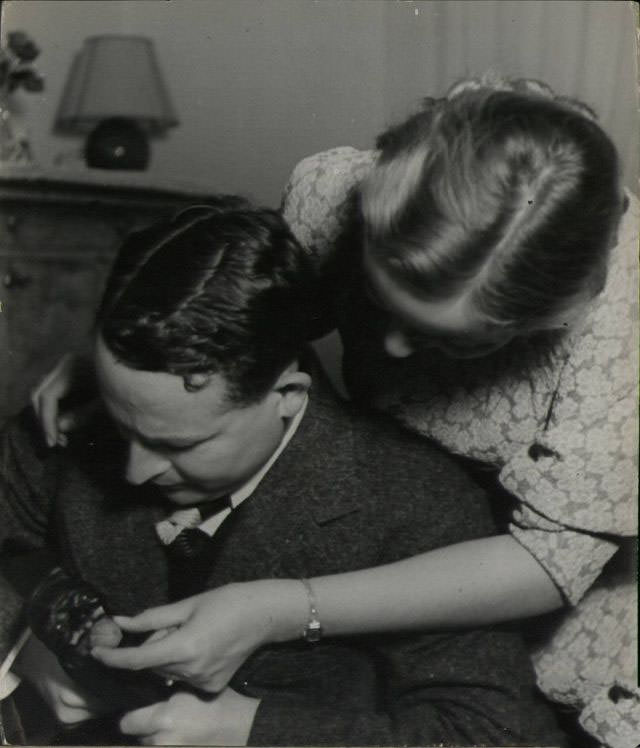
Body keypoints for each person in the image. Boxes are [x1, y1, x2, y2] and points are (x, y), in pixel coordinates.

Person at [31, 76, 638, 747]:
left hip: (574, 625)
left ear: (553, 318)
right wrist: (116, 363)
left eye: (451, 342)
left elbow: (549, 564)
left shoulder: (621, 337)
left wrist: (286, 610)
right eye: (379, 300)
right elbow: (248, 327)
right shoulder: (332, 192)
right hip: (401, 526)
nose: (394, 351)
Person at [0, 204, 566, 746]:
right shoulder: (73, 418)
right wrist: (33, 639)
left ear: (288, 396)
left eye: (177, 444)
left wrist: (256, 733)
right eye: (123, 425)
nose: (134, 468)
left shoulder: (417, 505)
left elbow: (490, 735)